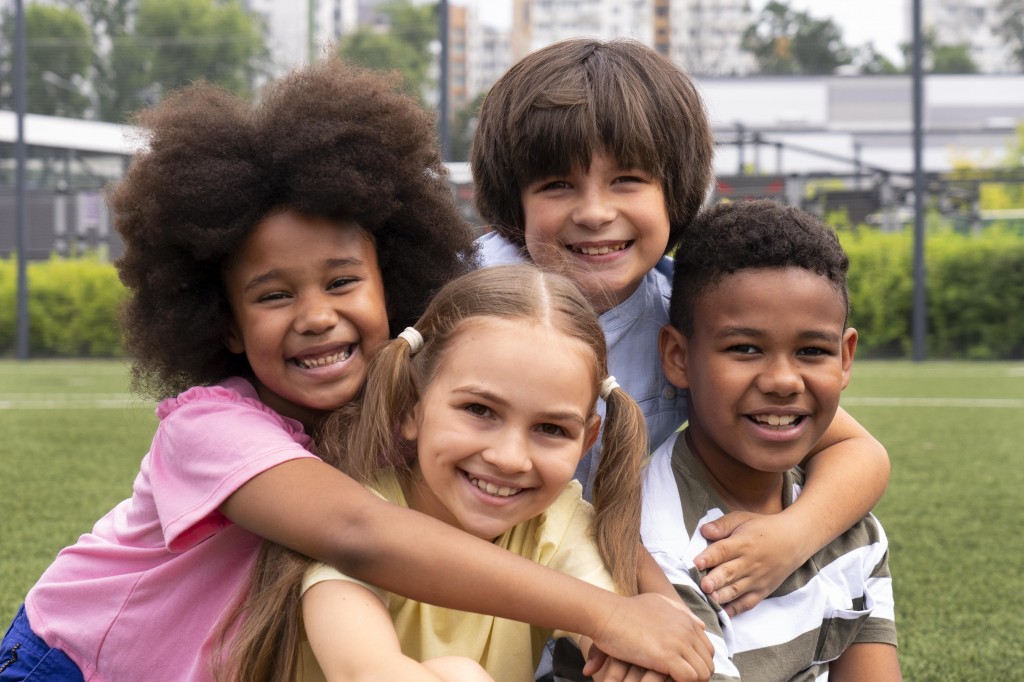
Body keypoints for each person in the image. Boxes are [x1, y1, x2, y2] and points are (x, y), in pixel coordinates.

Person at [0, 59, 709, 682]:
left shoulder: (409, 399)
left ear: (394, 281)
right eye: (275, 295)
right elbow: (358, 534)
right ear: (222, 322)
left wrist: (647, 602)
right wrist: (606, 615)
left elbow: (576, 520)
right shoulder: (210, 428)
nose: (314, 316)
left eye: (342, 283)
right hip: (75, 664)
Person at [470, 37, 892, 617]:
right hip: (465, 583)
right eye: (558, 184)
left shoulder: (683, 315)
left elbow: (858, 451)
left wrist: (790, 538)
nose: (594, 212)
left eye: (627, 180)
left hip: (612, 589)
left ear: (676, 191)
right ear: (514, 200)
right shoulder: (457, 299)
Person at [226, 264, 714, 682]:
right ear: (410, 407)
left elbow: (621, 639)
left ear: (586, 442)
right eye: (480, 410)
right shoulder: (357, 516)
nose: (509, 458)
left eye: (550, 428)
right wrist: (616, 622)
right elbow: (368, 670)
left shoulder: (558, 523)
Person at [641, 199, 900, 680]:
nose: (783, 380)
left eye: (811, 350)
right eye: (745, 348)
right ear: (678, 356)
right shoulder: (662, 548)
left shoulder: (849, 527)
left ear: (845, 359)